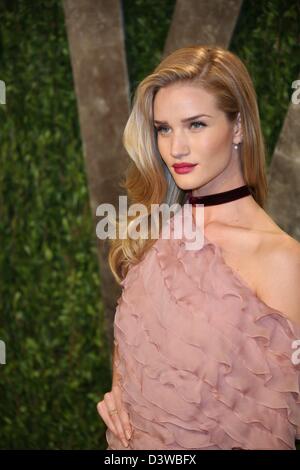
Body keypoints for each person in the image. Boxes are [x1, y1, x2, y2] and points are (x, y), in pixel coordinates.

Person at [97, 45, 300, 450]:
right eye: (164, 128)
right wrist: (117, 393)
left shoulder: (283, 260)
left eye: (196, 125)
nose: (176, 149)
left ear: (238, 127)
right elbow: (136, 355)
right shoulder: (152, 234)